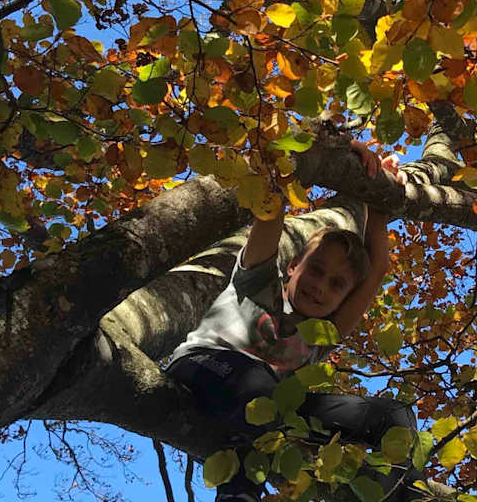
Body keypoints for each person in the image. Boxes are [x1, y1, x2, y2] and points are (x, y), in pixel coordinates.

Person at [165, 141, 419, 502]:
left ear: (345, 299)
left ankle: (389, 495)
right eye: (315, 270)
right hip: (202, 368)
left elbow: (378, 268)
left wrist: (379, 192)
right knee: (260, 387)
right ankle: (240, 495)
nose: (320, 286)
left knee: (393, 416)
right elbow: (272, 199)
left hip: (270, 406)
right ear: (292, 266)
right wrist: (336, 145)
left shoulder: (321, 336)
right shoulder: (257, 285)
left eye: (336, 285)